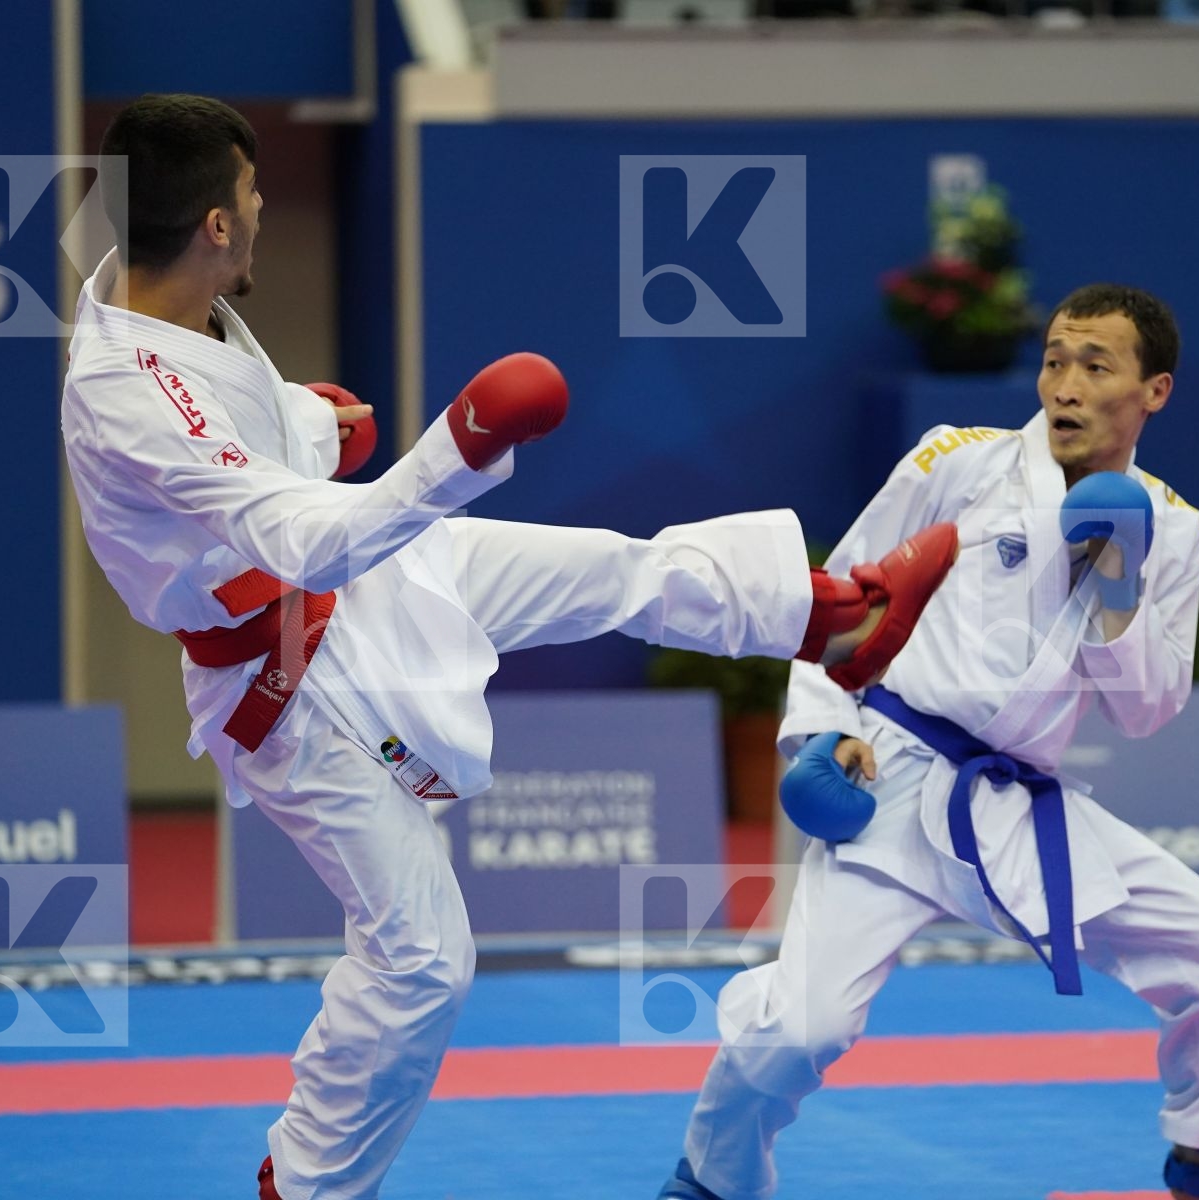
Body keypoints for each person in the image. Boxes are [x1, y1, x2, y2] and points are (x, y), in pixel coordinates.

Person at [62, 94, 960, 1200]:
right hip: (281, 681)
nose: (257, 213)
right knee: (423, 963)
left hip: (360, 585)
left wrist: (307, 421)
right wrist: (461, 444)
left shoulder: (158, 301)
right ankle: (305, 1184)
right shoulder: (125, 390)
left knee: (609, 571)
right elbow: (301, 536)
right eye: (249, 196)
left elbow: (235, 450)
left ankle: (833, 614)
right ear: (213, 224)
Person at [657, 285, 1199, 1200]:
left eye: (1095, 365)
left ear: (1155, 391)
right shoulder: (958, 462)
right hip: (895, 781)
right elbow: (841, 595)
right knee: (802, 1028)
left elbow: (1145, 711)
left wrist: (1117, 589)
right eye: (1055, 361)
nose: (1065, 385)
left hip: (1021, 808)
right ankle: (712, 1180)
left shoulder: (1173, 529)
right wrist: (827, 727)